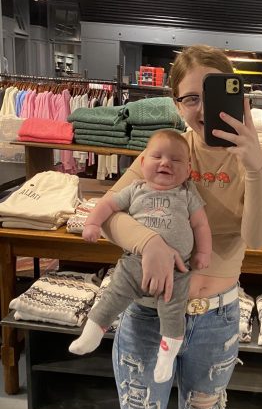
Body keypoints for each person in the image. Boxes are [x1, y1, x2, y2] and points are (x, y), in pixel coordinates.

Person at [102, 44, 262, 409]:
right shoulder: (166, 153)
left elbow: (257, 238)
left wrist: (252, 168)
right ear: (176, 103)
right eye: (191, 98)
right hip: (150, 314)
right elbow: (109, 213)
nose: (203, 109)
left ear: (237, 98)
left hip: (216, 320)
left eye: (213, 95)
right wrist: (149, 242)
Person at [69, 129, 212, 384]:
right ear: (143, 163)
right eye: (157, 157)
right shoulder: (135, 189)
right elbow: (107, 205)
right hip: (135, 263)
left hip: (179, 269)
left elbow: (201, 225)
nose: (166, 163)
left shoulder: (187, 194)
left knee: (173, 310)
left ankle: (167, 355)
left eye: (176, 160)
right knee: (115, 293)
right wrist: (92, 223)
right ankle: (93, 331)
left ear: (188, 170)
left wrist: (202, 252)